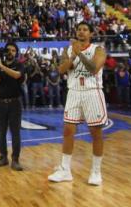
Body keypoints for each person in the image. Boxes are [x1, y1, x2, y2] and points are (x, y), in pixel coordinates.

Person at [48, 22, 107, 186]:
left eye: (85, 29)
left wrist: (79, 54)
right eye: (79, 29)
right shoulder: (68, 50)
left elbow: (93, 68)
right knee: (68, 130)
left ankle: (96, 171)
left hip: (92, 92)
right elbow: (61, 70)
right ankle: (65, 170)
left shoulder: (98, 49)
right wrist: (73, 55)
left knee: (95, 132)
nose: (81, 32)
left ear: (90, 34)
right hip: (73, 91)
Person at [0, 42, 25, 171]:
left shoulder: (19, 65)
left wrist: (1, 66)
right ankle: (3, 157)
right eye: (8, 50)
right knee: (1, 132)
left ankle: (15, 159)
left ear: (16, 53)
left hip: (15, 102)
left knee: (15, 132)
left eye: (13, 50)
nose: (10, 52)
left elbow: (16, 75)